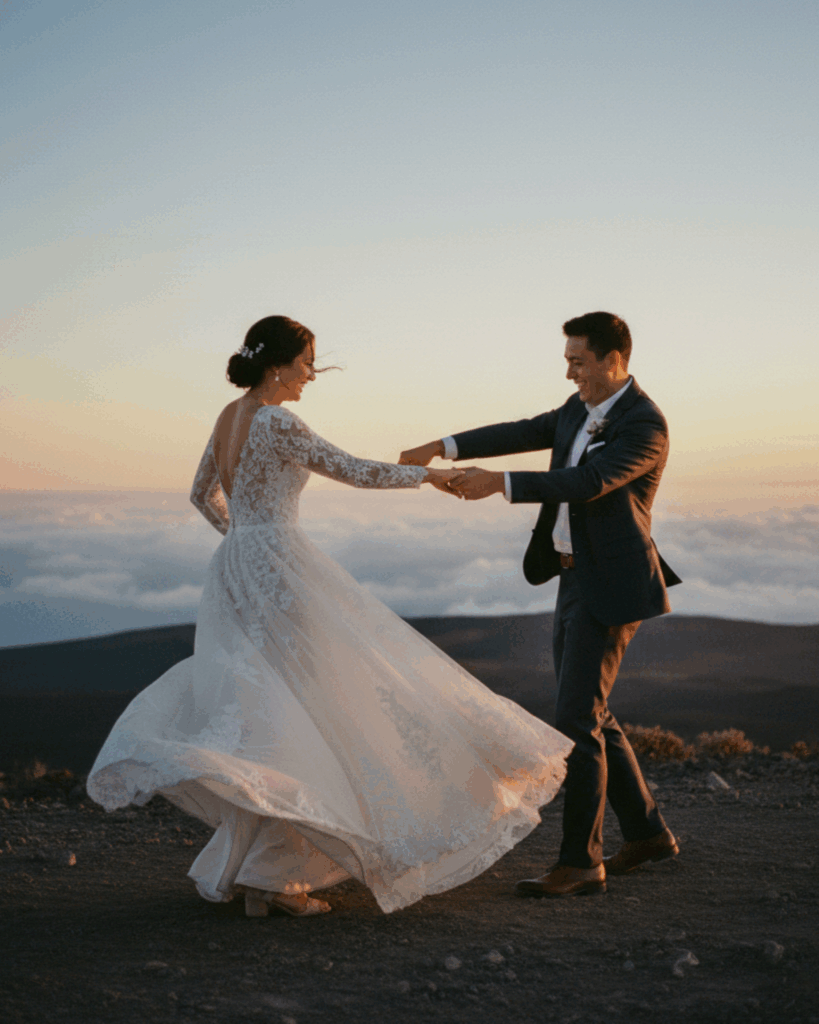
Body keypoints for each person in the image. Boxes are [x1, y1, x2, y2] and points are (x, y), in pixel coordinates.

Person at [87, 315, 572, 917]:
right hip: (279, 570)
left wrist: (243, 539)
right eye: (307, 362)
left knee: (270, 710)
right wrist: (430, 477)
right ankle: (274, 877)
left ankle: (263, 873)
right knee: (320, 706)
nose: (312, 375)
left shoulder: (228, 416)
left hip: (235, 571)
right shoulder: (277, 420)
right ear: (278, 364)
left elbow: (200, 494)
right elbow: (355, 470)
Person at [400, 311, 681, 898]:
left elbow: (591, 481)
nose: (569, 371)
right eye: (568, 360)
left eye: (578, 360)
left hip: (612, 586)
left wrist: (500, 485)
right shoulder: (578, 410)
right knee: (593, 713)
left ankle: (582, 863)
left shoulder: (645, 425)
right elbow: (521, 430)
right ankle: (648, 833)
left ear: (614, 360)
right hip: (572, 578)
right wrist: (441, 446)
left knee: (575, 721)